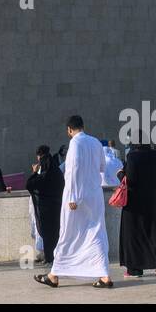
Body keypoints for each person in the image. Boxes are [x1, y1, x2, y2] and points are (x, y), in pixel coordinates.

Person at [35, 115, 112, 289]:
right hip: (95, 195)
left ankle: (54, 275)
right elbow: (102, 167)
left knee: (68, 234)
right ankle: (104, 275)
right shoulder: (96, 143)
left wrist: (73, 197)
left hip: (77, 198)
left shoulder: (75, 143)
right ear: (83, 126)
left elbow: (73, 170)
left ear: (69, 130)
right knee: (96, 233)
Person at [118, 137, 156, 277]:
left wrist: (121, 174)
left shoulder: (132, 156)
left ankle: (134, 269)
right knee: (152, 231)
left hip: (134, 204)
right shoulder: (155, 156)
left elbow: (131, 179)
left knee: (133, 235)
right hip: (151, 201)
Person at [25, 145, 64, 265]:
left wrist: (34, 172)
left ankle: (49, 257)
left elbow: (30, 185)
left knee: (47, 233)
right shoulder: (56, 170)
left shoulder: (43, 171)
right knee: (55, 231)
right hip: (56, 205)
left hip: (44, 207)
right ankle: (55, 256)